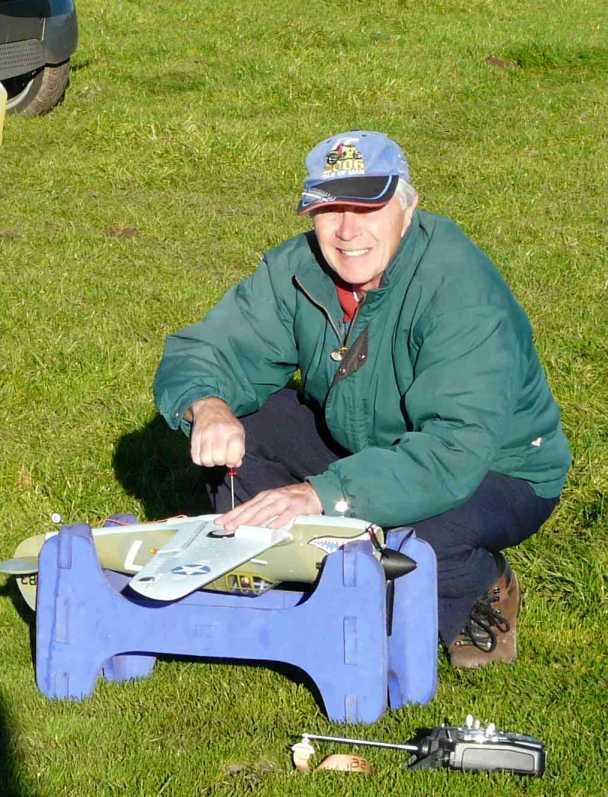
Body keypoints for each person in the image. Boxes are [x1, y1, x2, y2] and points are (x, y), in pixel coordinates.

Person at [154, 130, 570, 668]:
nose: (348, 231)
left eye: (367, 207)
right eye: (329, 210)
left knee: (409, 542)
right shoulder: (298, 269)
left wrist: (320, 494)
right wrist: (207, 405)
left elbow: (454, 451)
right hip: (367, 441)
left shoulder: (460, 287)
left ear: (408, 207)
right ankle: (277, 574)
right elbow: (209, 349)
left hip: (495, 468)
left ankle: (479, 585)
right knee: (245, 427)